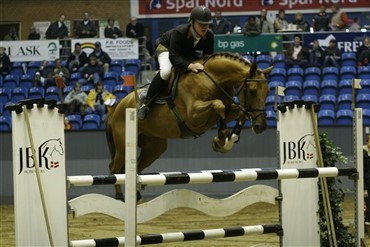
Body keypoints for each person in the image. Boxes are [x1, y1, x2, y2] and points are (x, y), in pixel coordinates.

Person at [138, 6, 214, 120]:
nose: (205, 27)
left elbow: (208, 56)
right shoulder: (179, 32)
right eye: (201, 24)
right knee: (166, 72)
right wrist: (191, 65)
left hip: (184, 51)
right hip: (166, 47)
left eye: (207, 24)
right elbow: (174, 57)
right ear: (192, 22)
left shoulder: (209, 35)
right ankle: (146, 102)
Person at [363, 135, 370, 226]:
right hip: (368, 184)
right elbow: (363, 172)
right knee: (368, 206)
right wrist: (364, 188)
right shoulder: (364, 156)